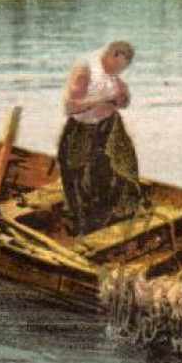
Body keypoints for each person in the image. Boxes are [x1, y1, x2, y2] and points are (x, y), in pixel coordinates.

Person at [58, 41, 143, 236]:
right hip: (81, 130)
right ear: (111, 55)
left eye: (124, 69)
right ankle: (79, 226)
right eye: (119, 66)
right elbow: (70, 107)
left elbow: (124, 103)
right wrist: (100, 98)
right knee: (76, 176)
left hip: (108, 127)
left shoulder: (114, 75)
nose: (119, 72)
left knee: (110, 172)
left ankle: (107, 219)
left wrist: (122, 98)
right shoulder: (86, 70)